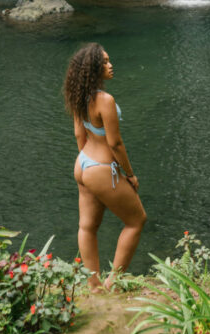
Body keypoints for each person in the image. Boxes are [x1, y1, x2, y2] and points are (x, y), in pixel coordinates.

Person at [62, 42, 147, 290]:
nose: (111, 66)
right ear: (94, 69)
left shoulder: (79, 95)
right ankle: (112, 283)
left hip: (83, 164)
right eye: (106, 62)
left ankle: (94, 285)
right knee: (136, 220)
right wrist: (129, 174)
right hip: (100, 167)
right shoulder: (105, 100)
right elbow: (116, 143)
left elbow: (79, 134)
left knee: (87, 226)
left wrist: (87, 168)